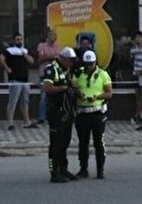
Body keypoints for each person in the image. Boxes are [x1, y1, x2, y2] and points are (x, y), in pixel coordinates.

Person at [73, 49, 113, 179]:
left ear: (95, 62)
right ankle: (83, 169)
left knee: (99, 143)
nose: (89, 66)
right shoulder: (78, 74)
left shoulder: (103, 74)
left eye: (91, 63)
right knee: (83, 143)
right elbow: (73, 88)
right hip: (82, 113)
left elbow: (109, 93)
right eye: (87, 64)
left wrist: (97, 97)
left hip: (97, 113)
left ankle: (100, 169)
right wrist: (79, 94)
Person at [42, 46, 77, 183]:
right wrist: (63, 88)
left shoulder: (65, 69)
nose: (71, 63)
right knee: (55, 144)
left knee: (65, 141)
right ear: (62, 58)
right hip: (55, 111)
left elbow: (68, 83)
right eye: (69, 60)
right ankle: (54, 171)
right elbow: (47, 87)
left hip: (66, 111)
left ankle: (63, 168)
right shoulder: (52, 69)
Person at [4, 30, 36, 130]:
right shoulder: (9, 50)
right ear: (14, 41)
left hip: (25, 79)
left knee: (25, 101)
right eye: (18, 39)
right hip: (14, 79)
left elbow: (31, 61)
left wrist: (25, 54)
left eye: (21, 39)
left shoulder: (25, 50)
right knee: (13, 101)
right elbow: (1, 58)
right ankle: (10, 123)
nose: (19, 41)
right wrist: (7, 68)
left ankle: (26, 121)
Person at [35, 28, 61, 125]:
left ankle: (54, 116)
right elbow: (41, 58)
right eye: (52, 35)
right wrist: (52, 57)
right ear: (48, 36)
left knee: (55, 97)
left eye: (55, 35)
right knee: (43, 96)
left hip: (55, 74)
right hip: (44, 74)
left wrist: (51, 58)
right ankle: (41, 117)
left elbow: (59, 59)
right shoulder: (41, 46)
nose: (54, 37)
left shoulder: (58, 47)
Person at [129, 31, 142, 126]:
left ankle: (137, 115)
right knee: (138, 96)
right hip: (136, 74)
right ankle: (140, 115)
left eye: (139, 37)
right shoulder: (133, 49)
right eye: (136, 37)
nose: (137, 39)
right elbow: (131, 59)